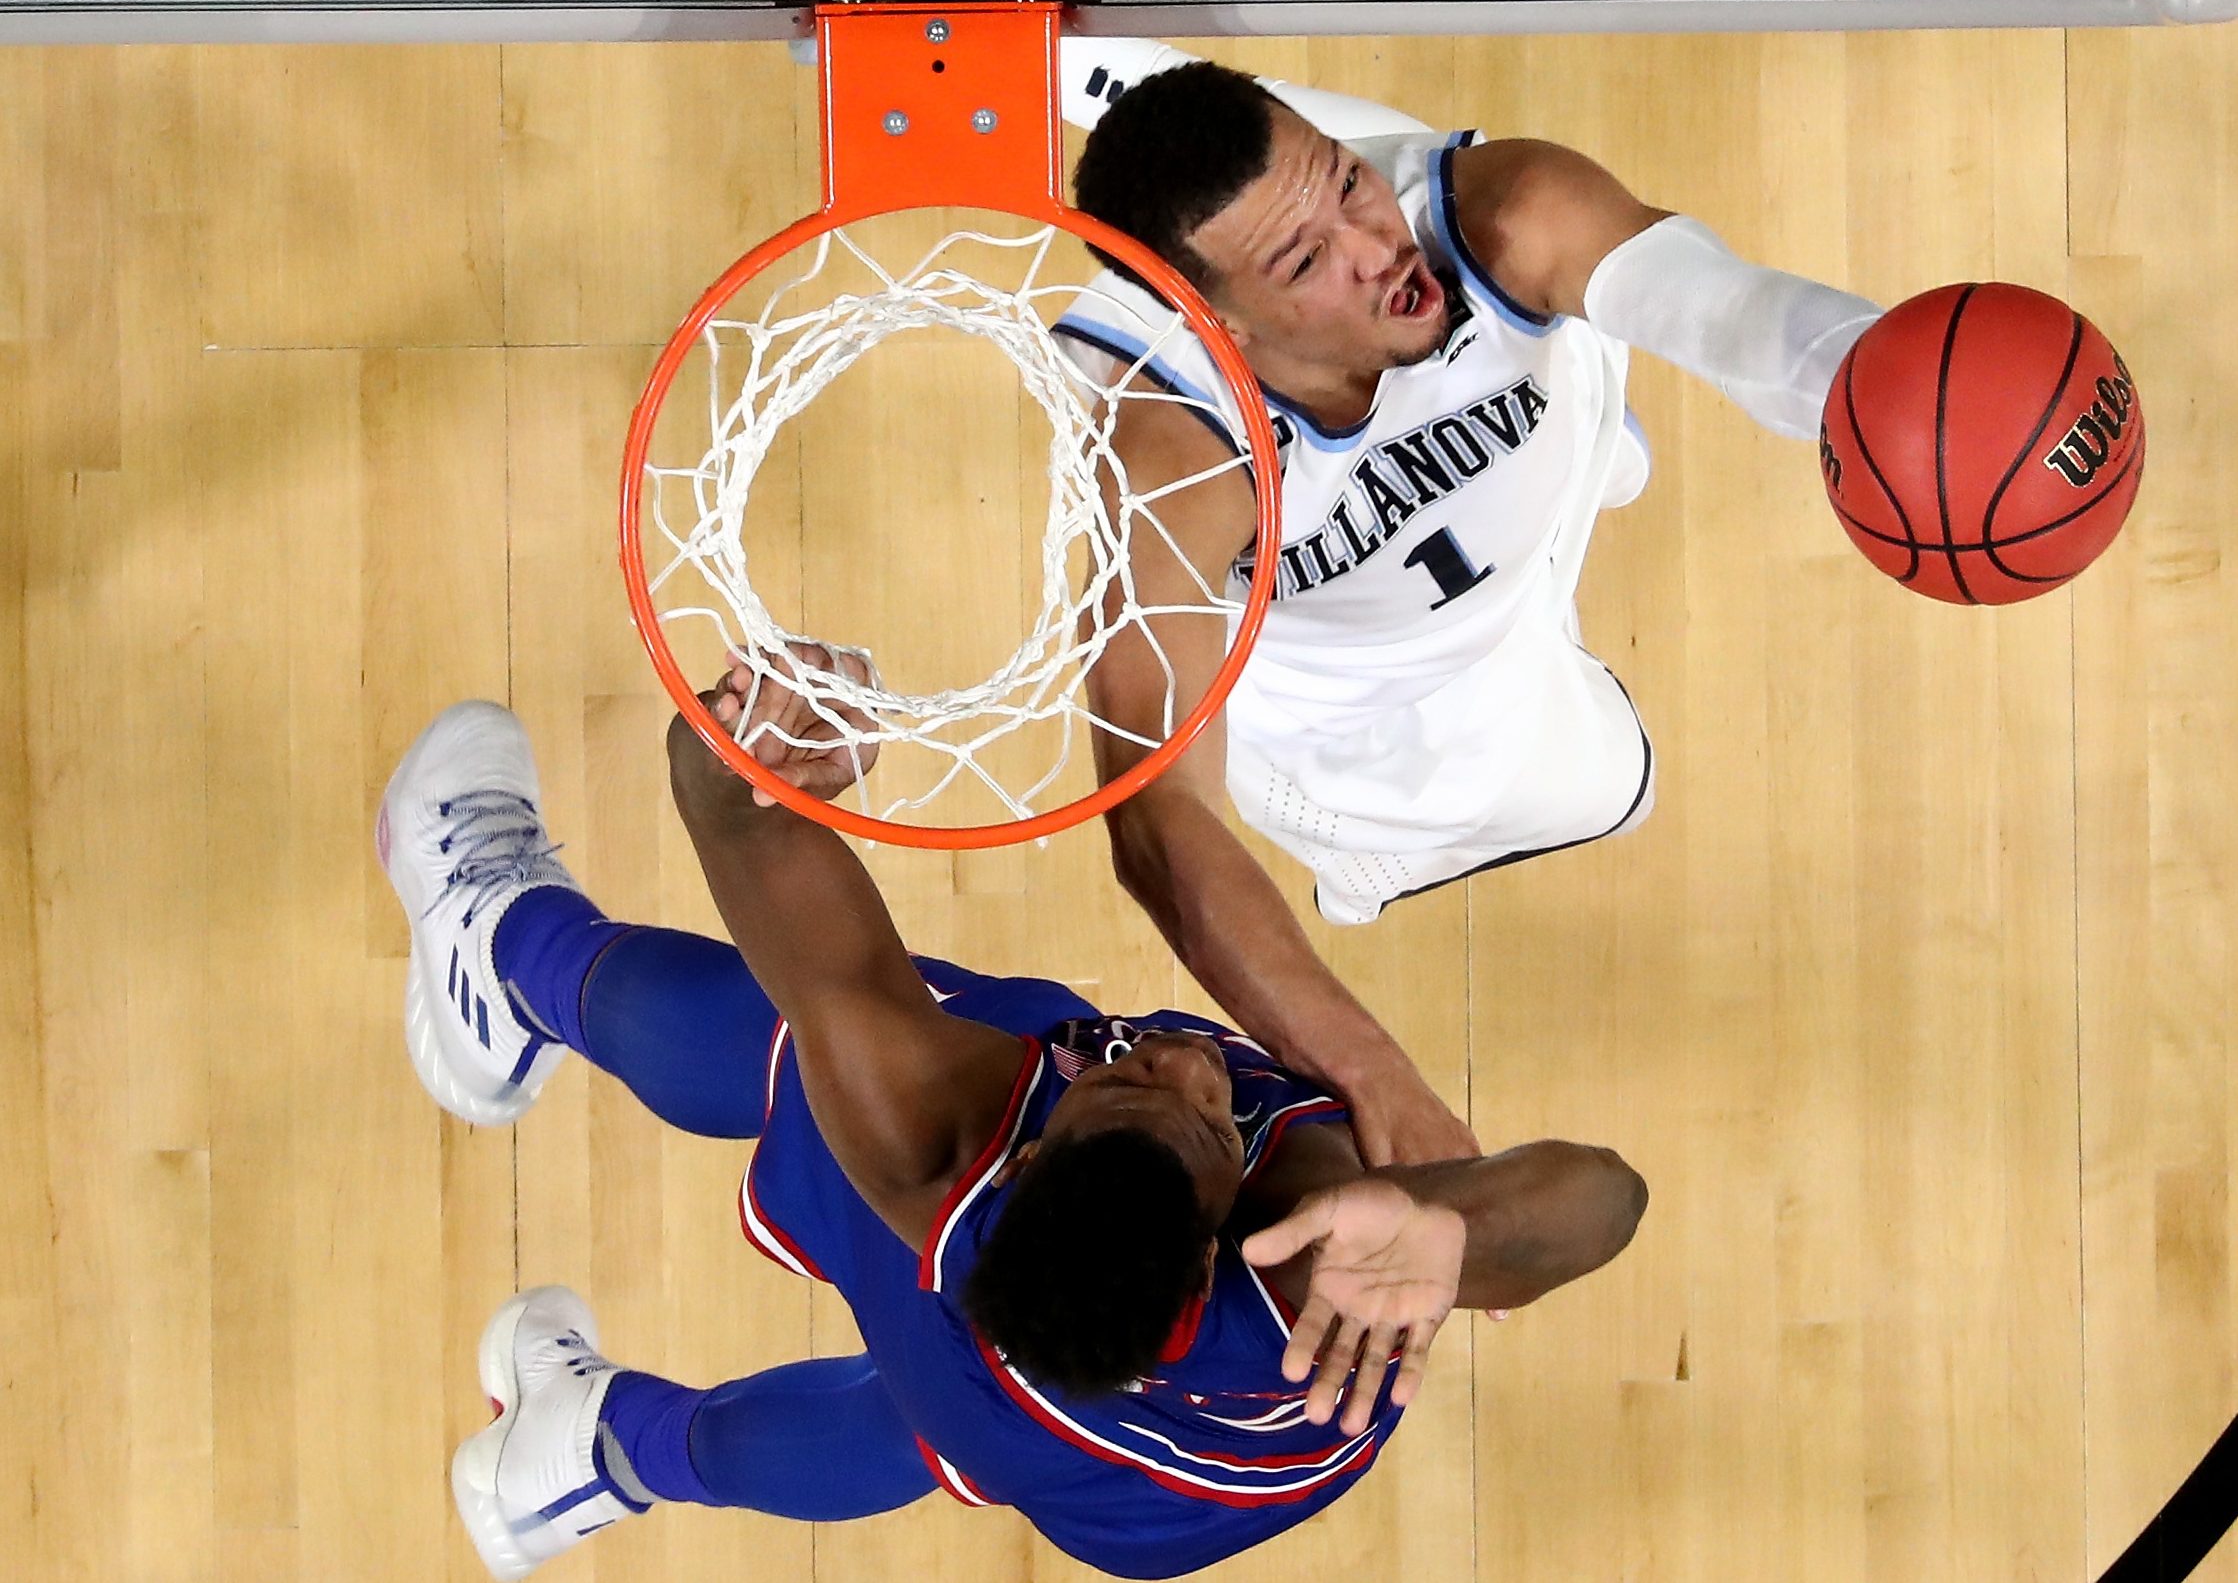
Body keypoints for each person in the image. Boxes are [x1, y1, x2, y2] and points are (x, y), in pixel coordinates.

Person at [375, 651, 1648, 1581]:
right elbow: (1608, 1199)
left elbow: (782, 905)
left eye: (1168, 1099)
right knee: (937, 1437)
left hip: (1135, 1461)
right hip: (1147, 1500)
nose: (1170, 1059)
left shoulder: (936, 1144)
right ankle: (597, 1453)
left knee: (798, 1047)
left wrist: (739, 759)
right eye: (1165, 1089)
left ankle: (505, 955)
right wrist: (1454, 1227)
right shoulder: (1351, 1262)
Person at [1049, 43, 1886, 1169]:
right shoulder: (1174, 461)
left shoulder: (1497, 216)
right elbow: (1156, 821)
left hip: (1528, 497)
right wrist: (1375, 1078)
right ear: (1224, 331)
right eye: (1306, 261)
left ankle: (1092, 70)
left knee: (1572, 345)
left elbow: (1737, 316)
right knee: (1607, 790)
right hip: (1353, 709)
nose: (1376, 246)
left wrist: (1896, 373)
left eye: (1347, 180)